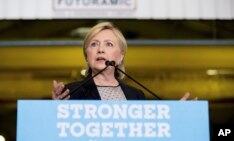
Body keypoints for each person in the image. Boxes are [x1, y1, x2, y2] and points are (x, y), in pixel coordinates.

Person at [52, 21, 193, 100]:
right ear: (86, 56)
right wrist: (54, 110)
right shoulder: (70, 93)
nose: (100, 49)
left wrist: (176, 116)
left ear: (120, 56)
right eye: (94, 44)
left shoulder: (136, 95)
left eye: (109, 44)